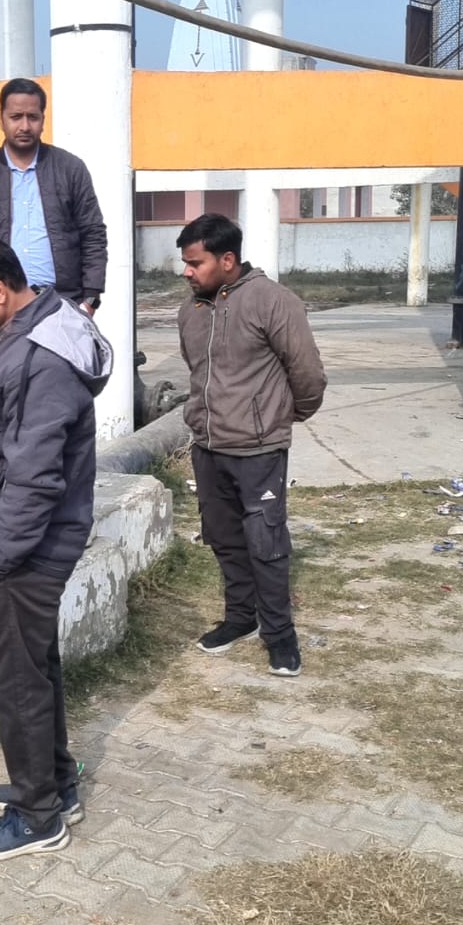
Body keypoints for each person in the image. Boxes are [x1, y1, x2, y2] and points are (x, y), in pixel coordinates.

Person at [0, 232, 113, 861]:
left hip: (26, 547)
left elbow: (35, 476)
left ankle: (38, 818)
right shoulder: (26, 330)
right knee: (36, 668)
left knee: (18, 682)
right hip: (25, 542)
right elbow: (0, 422)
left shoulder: (42, 357)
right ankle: (54, 784)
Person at [177, 214, 327, 678]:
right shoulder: (191, 311)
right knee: (223, 538)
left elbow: (307, 373)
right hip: (208, 447)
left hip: (258, 451)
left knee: (266, 544)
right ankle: (241, 618)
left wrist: (279, 418)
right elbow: (197, 374)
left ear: (227, 260)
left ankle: (280, 636)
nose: (187, 272)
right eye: (185, 263)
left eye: (195, 263)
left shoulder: (273, 301)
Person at [0, 77, 107, 316]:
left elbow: (93, 234)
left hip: (62, 304)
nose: (24, 126)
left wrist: (90, 299)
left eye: (32, 117)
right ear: (1, 120)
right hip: (1, 306)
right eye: (16, 117)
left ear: (43, 120)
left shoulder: (70, 169)